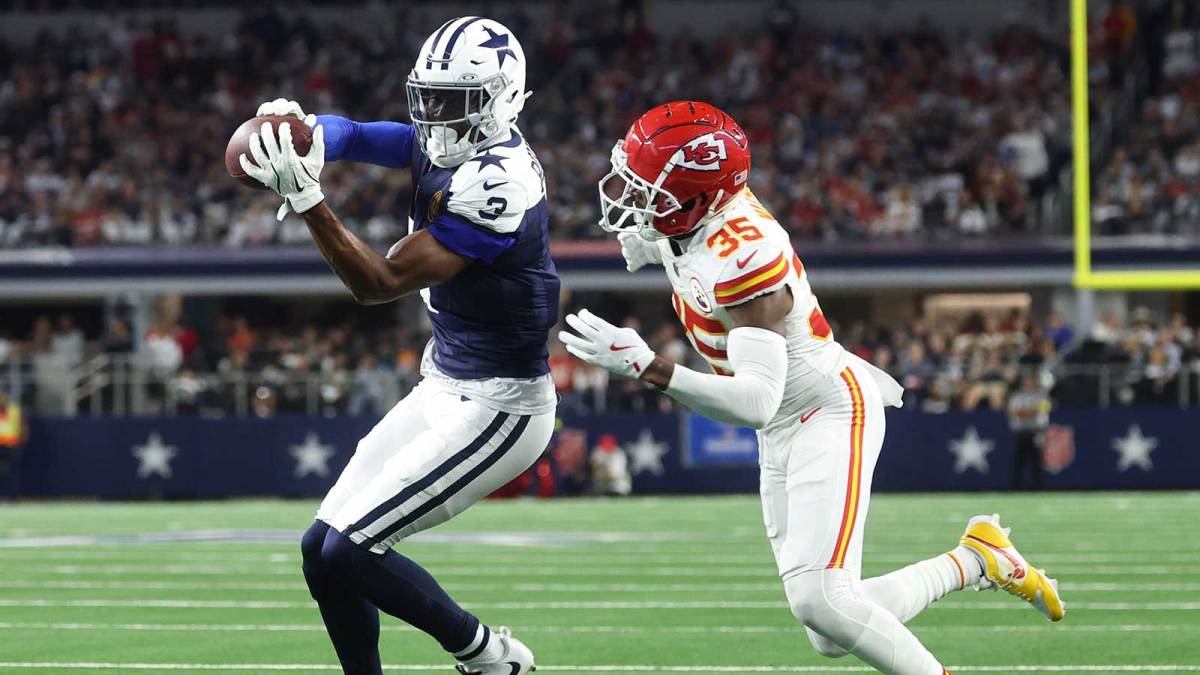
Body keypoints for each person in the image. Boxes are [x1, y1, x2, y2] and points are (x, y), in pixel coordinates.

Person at [560, 101, 1064, 675]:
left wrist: (649, 366)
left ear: (699, 199)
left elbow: (755, 401)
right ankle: (976, 560)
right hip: (784, 425)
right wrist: (655, 244)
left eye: (649, 190)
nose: (633, 199)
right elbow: (695, 250)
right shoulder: (701, 218)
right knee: (828, 625)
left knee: (821, 600)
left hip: (824, 408)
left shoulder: (746, 257)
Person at [240, 17, 557, 675]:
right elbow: (352, 133)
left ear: (501, 98)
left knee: (353, 549)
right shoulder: (444, 144)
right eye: (429, 97)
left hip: (501, 407)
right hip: (446, 383)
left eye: (454, 102)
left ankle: (489, 656)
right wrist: (296, 130)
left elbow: (378, 282)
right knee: (319, 547)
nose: (435, 117)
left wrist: (307, 197)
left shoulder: (502, 180)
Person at [1008, 372, 1051, 490]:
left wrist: (1025, 412)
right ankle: (1014, 488)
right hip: (1020, 433)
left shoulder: (1041, 396)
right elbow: (1014, 412)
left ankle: (1038, 487)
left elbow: (1043, 411)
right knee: (1018, 462)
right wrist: (1032, 411)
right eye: (1028, 382)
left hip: (1035, 432)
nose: (1030, 384)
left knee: (1037, 462)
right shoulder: (1017, 396)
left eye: (1033, 382)